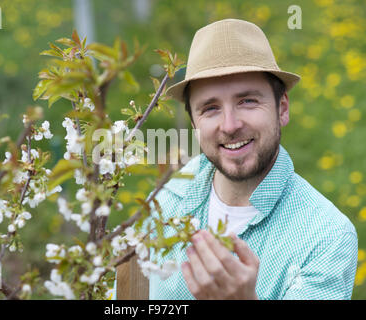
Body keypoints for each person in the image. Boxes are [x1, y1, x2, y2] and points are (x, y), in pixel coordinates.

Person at [149, 18, 358, 300]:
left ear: (282, 108)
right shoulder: (164, 200)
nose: (230, 125)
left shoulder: (326, 237)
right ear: (194, 123)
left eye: (247, 101)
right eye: (210, 108)